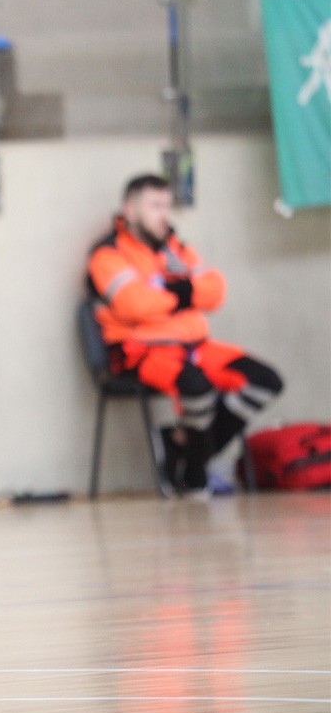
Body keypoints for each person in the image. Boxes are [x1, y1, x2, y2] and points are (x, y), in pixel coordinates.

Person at [87, 174, 284, 494]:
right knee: (197, 387)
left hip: (196, 346)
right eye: (155, 206)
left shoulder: (177, 248)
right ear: (130, 210)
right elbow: (134, 304)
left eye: (167, 206)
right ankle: (194, 478)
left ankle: (180, 448)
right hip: (142, 351)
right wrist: (187, 294)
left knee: (265, 381)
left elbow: (215, 292)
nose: (164, 214)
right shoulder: (108, 254)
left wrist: (170, 294)